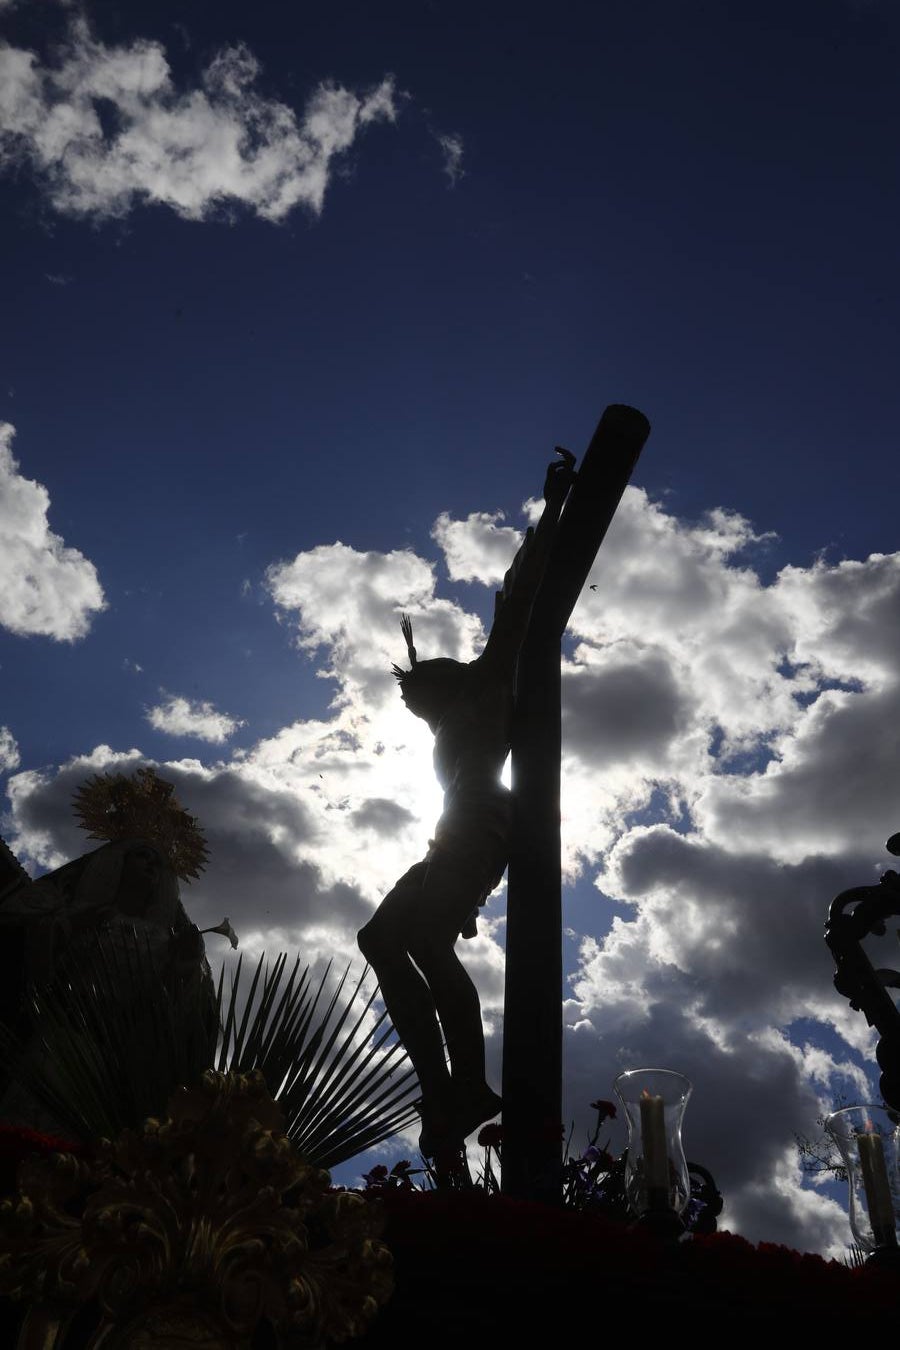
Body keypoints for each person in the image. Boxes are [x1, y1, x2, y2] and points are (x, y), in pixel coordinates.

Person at [358, 451, 575, 1156]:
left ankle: (470, 1085)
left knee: (423, 939)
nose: (413, 707)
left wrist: (553, 508)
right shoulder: (448, 723)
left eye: (417, 696)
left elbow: (518, 597)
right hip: (450, 829)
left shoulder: (484, 686)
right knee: (379, 939)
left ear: (443, 683)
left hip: (482, 816)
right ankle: (440, 1088)